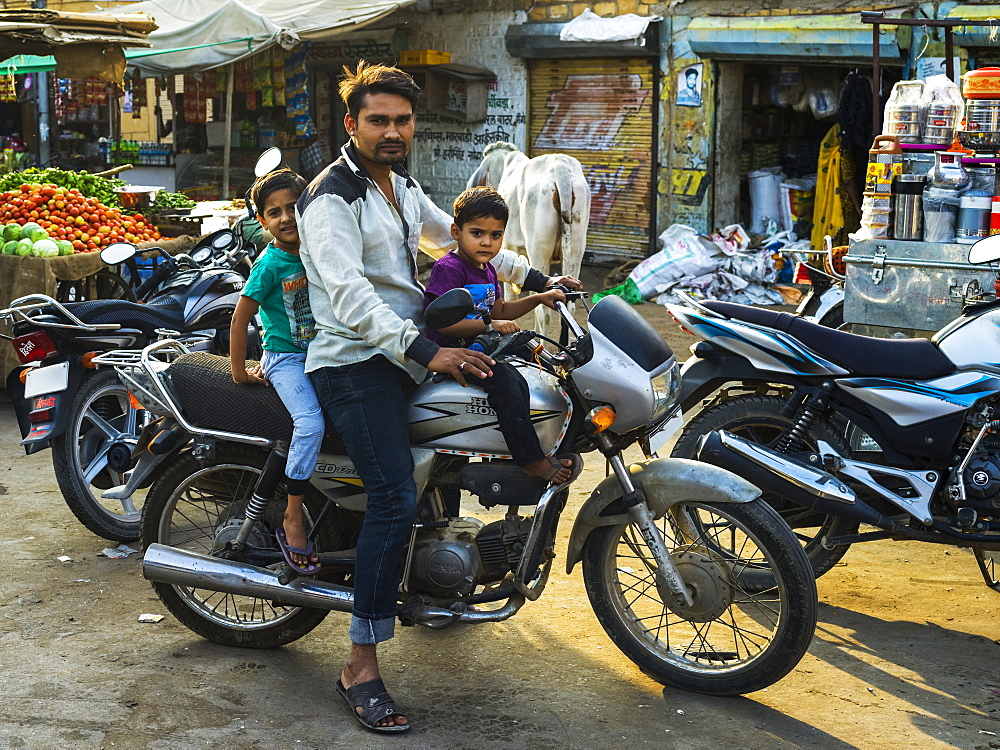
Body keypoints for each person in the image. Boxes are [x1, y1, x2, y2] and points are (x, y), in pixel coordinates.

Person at [296, 60, 580, 734]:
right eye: (379, 120)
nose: (392, 130)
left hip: (407, 349)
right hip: (356, 362)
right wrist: (429, 351)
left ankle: (440, 573)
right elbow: (350, 297)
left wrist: (544, 280)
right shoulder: (329, 197)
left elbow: (458, 240)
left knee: (500, 388)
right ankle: (359, 665)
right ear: (352, 124)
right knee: (394, 495)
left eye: (401, 119)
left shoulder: (398, 184)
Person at [424, 186, 579, 484]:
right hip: (454, 353)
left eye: (496, 235)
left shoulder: (488, 269)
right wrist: (489, 326)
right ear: (456, 231)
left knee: (540, 360)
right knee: (510, 382)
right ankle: (530, 459)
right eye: (477, 233)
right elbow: (441, 325)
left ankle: (554, 436)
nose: (487, 242)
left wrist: (538, 297)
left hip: (484, 345)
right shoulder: (449, 269)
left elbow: (501, 310)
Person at [229, 167, 323, 575]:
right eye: (273, 212)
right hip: (285, 359)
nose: (285, 218)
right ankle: (293, 512)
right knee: (310, 425)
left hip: (323, 353)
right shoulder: (268, 264)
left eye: (292, 208)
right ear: (262, 221)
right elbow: (239, 319)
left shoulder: (318, 249)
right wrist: (239, 372)